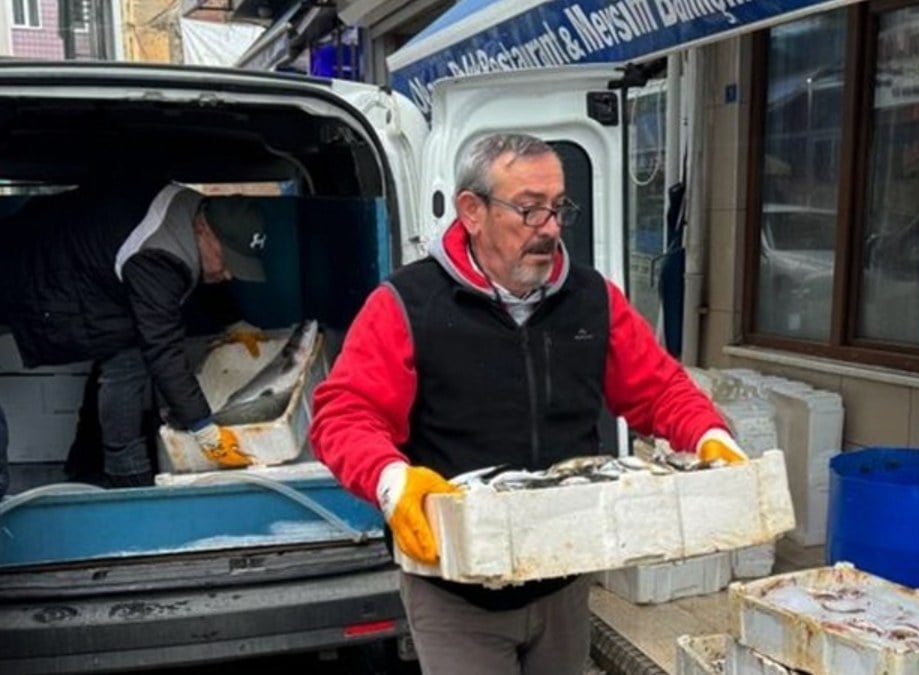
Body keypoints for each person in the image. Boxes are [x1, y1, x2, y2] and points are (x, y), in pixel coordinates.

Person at [310, 132, 745, 675]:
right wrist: (391, 478)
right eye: (529, 209)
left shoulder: (592, 299)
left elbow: (659, 389)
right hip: (456, 584)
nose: (551, 228)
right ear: (472, 210)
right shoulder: (406, 304)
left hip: (564, 574)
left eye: (559, 208)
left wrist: (710, 436)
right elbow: (345, 413)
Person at [0, 183, 269, 487]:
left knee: (124, 342)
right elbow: (163, 348)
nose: (230, 274)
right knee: (130, 357)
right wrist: (203, 427)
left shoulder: (197, 215)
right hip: (34, 269)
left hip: (72, 259)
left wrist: (233, 321)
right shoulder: (159, 253)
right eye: (228, 261)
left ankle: (88, 463)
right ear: (203, 229)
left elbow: (192, 271)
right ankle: (125, 475)